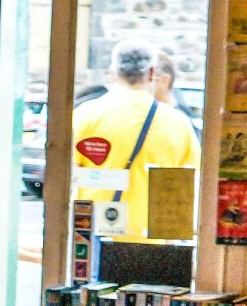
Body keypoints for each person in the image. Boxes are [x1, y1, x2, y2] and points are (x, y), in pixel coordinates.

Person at [71, 40, 199, 238]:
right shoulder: (177, 123)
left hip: (92, 236)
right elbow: (191, 184)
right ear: (151, 73)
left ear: (113, 73)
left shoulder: (85, 116)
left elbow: (66, 176)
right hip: (153, 241)